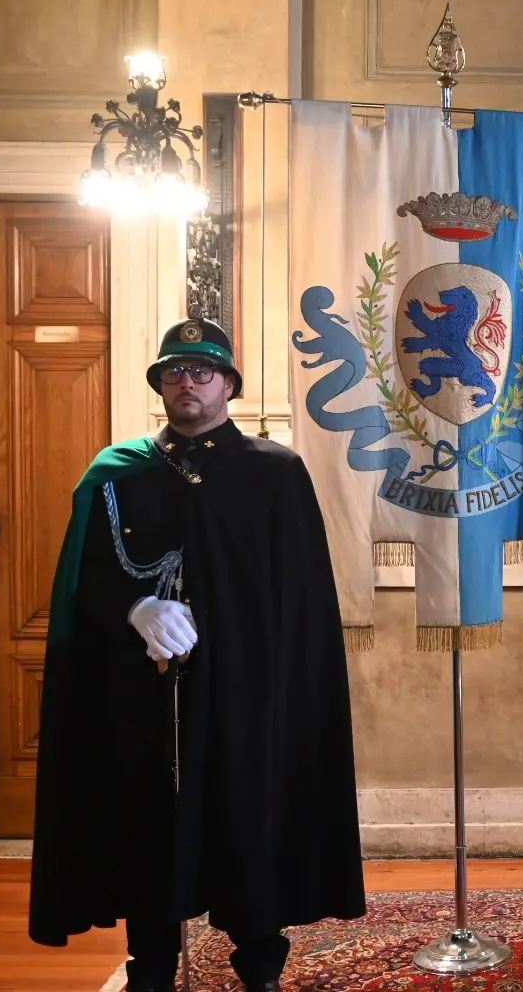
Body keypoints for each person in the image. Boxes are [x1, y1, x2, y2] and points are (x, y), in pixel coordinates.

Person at [29, 318, 366, 991]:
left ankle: (259, 964)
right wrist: (135, 608)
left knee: (248, 817)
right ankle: (151, 967)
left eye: (202, 371)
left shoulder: (275, 472)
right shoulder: (115, 473)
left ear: (229, 384)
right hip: (142, 697)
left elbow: (301, 599)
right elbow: (82, 581)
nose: (188, 382)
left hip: (247, 693)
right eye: (175, 371)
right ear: (160, 385)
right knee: (149, 828)